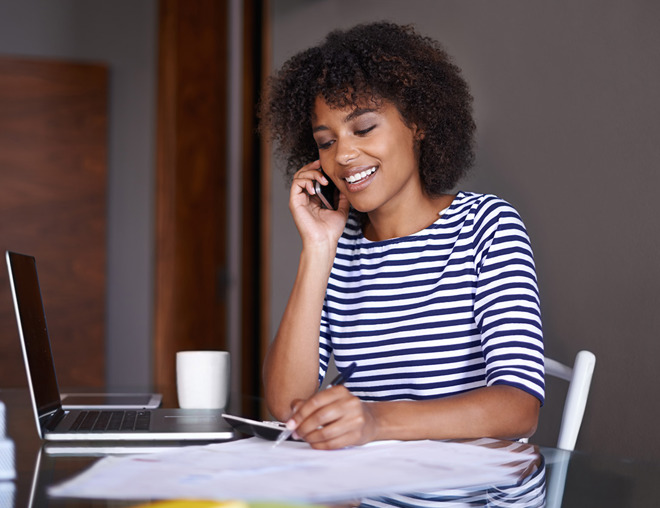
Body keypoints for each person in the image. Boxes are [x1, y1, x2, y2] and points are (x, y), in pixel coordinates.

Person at [260, 21, 544, 450]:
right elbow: (286, 405)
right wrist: (318, 249)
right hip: (367, 490)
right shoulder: (339, 248)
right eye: (326, 141)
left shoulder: (486, 227)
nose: (344, 155)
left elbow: (519, 407)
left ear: (419, 123)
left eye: (364, 128)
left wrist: (376, 419)